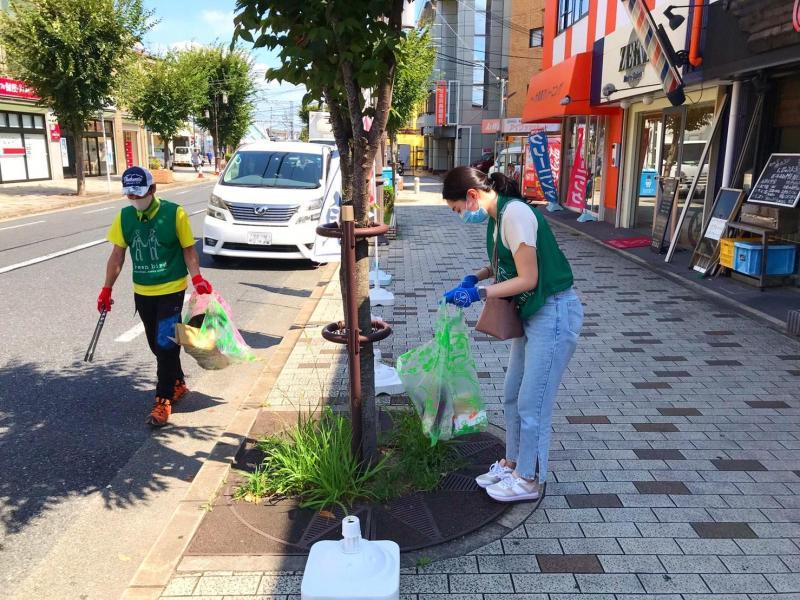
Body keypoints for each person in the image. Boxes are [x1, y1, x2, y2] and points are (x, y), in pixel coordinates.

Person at [441, 166, 583, 503]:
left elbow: (528, 278)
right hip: (533, 312)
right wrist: (474, 277)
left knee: (532, 402)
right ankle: (513, 463)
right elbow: (504, 261)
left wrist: (479, 295)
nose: (461, 216)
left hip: (554, 311)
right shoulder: (497, 215)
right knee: (511, 394)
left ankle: (529, 479)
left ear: (472, 196)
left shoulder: (515, 213)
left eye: (458, 210)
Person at [97, 166, 214, 427]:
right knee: (157, 345)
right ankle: (178, 383)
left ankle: (163, 401)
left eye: (139, 194)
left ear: (153, 189)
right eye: (130, 195)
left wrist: (196, 278)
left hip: (171, 288)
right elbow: (117, 255)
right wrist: (107, 288)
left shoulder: (175, 214)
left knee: (165, 344)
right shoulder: (124, 217)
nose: (135, 200)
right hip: (143, 291)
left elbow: (188, 250)